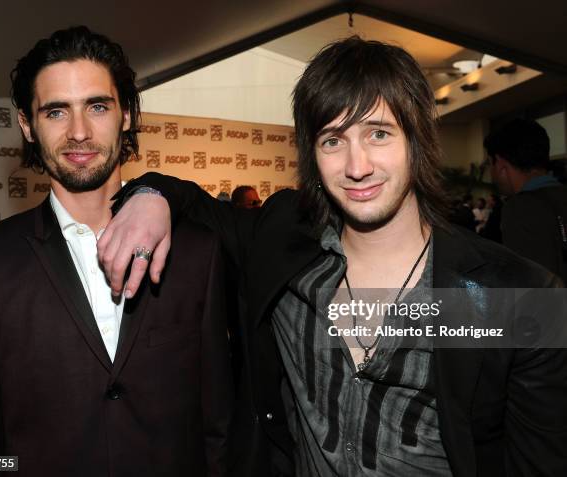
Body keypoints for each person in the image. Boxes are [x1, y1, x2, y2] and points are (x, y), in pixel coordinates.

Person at [98, 37, 567, 476]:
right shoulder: (282, 240)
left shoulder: (513, 295)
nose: (357, 166)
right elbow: (191, 201)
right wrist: (148, 195)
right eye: (332, 140)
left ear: (418, 140)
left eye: (379, 134)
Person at [0, 26, 232, 477]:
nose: (79, 133)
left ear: (125, 115)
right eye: (56, 112)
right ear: (27, 124)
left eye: (97, 107)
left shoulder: (197, 251)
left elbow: (217, 425)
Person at [485, 118, 567, 281]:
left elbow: (531, 288)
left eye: (490, 164)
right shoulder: (560, 195)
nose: (491, 172)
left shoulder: (520, 209)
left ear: (501, 164)